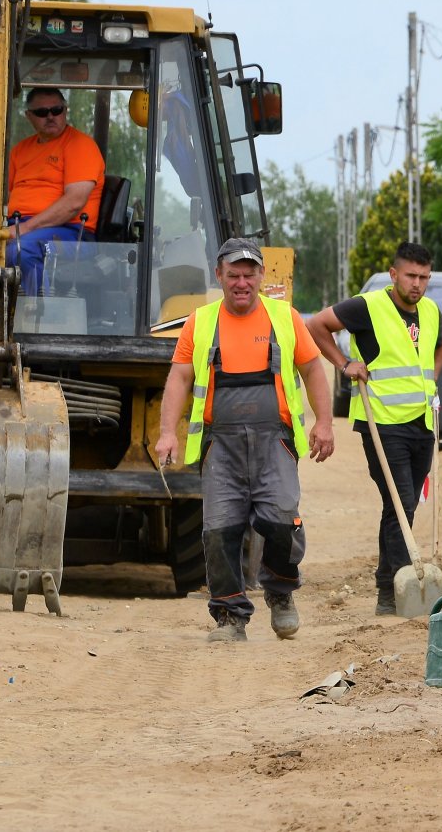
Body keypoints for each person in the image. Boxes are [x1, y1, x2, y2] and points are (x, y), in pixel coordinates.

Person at [152, 238, 334, 642]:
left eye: (248, 274)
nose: (241, 283)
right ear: (219, 276)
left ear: (261, 276)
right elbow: (180, 377)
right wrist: (167, 433)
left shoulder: (285, 318)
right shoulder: (199, 323)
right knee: (220, 531)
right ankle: (231, 618)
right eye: (232, 275)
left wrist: (324, 422)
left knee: (282, 520)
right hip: (222, 445)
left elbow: (313, 370)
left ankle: (281, 590)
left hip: (276, 443)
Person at [305, 242, 442, 616]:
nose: (417, 284)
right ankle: (398, 594)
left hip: (420, 422)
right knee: (400, 501)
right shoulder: (367, 306)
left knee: (403, 506)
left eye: (424, 277)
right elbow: (316, 326)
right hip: (381, 423)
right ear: (394, 274)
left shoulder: (431, 311)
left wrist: (432, 378)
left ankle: (388, 584)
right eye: (411, 276)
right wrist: (344, 363)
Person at [6, 86, 105, 294]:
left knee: (21, 250)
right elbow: (4, 196)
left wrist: (24, 229)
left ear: (65, 111)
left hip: (72, 233)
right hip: (22, 226)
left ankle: (37, 313)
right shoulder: (20, 150)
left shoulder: (80, 145)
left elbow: (74, 203)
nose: (50, 116)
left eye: (56, 110)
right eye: (42, 112)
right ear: (29, 116)